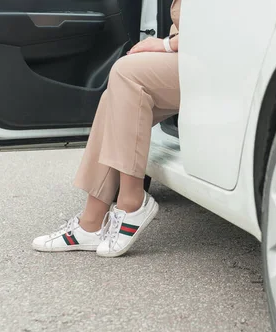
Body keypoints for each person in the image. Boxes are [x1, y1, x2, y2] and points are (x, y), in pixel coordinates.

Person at [32, 0, 182, 257]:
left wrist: (165, 44)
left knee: (125, 73)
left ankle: (132, 201)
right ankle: (91, 221)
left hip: (220, 61)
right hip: (191, 54)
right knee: (115, 96)